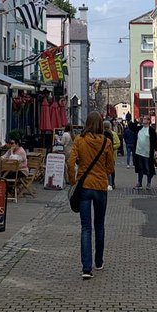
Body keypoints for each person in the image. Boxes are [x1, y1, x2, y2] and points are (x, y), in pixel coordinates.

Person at [66, 111, 116, 279]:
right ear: (101, 124)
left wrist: (73, 181)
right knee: (100, 225)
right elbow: (111, 166)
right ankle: (99, 261)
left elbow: (70, 161)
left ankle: (86, 268)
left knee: (85, 227)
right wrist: (104, 172)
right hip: (101, 186)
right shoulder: (106, 142)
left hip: (85, 187)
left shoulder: (79, 140)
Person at [134, 119, 157, 190]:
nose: (143, 120)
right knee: (140, 168)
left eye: (145, 119)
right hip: (139, 152)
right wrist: (137, 121)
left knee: (148, 168)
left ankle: (148, 182)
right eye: (143, 119)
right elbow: (131, 126)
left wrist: (155, 150)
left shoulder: (151, 130)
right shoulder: (139, 128)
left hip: (147, 153)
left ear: (148, 121)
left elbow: (154, 141)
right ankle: (139, 182)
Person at [103, 119, 119, 190]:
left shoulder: (113, 134)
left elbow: (118, 143)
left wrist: (112, 147)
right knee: (109, 169)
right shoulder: (101, 133)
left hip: (111, 155)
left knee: (111, 170)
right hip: (105, 155)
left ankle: (112, 183)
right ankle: (109, 183)